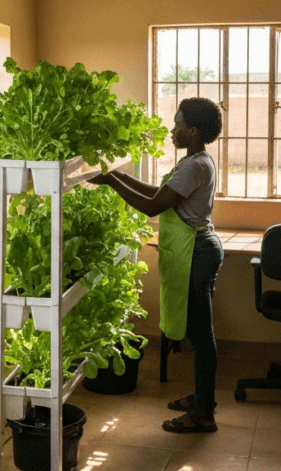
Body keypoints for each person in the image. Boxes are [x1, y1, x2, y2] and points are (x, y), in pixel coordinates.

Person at [89, 97, 224, 433]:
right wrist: (119, 175)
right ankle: (202, 399)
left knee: (200, 336)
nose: (172, 130)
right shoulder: (196, 160)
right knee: (198, 333)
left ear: (193, 131)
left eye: (178, 125)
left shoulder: (194, 165)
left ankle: (203, 413)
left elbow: (152, 207)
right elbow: (160, 193)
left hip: (197, 252)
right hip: (198, 248)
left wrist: (112, 182)